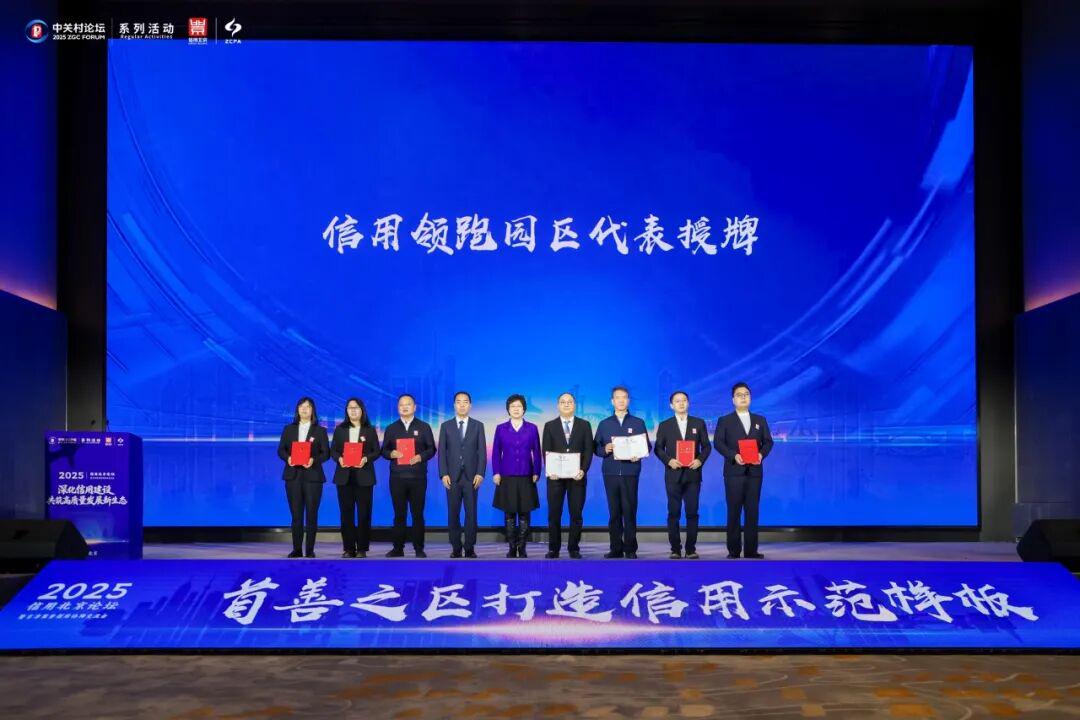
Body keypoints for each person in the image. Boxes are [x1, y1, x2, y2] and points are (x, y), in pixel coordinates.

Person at [713, 382, 774, 559]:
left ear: (751, 398)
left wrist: (761, 454)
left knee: (752, 511)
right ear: (733, 399)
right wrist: (734, 455)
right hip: (734, 471)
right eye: (739, 395)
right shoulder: (725, 420)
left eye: (746, 394)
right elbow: (718, 443)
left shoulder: (760, 420)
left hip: (755, 472)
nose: (743, 397)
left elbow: (768, 442)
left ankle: (751, 550)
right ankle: (733, 550)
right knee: (734, 511)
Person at [593, 386, 650, 559]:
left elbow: (647, 446)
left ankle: (630, 548)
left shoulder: (638, 422)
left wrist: (639, 454)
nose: (621, 400)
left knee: (629, 511)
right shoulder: (604, 424)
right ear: (612, 401)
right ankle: (616, 548)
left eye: (624, 397)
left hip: (630, 472)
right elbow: (596, 447)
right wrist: (605, 449)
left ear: (628, 401)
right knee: (614, 512)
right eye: (617, 397)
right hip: (610, 473)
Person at [654, 390, 712, 559]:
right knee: (673, 513)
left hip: (693, 475)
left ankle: (691, 549)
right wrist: (669, 461)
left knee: (692, 512)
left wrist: (700, 460)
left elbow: (707, 446)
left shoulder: (698, 423)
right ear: (671, 405)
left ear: (688, 403)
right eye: (677, 401)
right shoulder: (665, 425)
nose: (681, 403)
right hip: (673, 474)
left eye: (684, 400)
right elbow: (658, 448)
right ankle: (675, 549)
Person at [380, 393, 437, 558]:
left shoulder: (424, 427)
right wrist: (391, 454)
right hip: (397, 478)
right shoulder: (391, 428)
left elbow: (431, 449)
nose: (404, 407)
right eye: (401, 405)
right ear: (398, 408)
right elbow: (383, 450)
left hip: (418, 477)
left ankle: (419, 548)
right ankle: (398, 548)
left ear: (414, 407)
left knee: (417, 514)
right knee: (399, 514)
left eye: (408, 404)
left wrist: (420, 457)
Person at [276, 396, 330, 558]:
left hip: (313, 476)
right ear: (297, 410)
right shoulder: (288, 429)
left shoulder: (320, 431)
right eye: (301, 406)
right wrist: (288, 458)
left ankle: (310, 549)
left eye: (308, 406)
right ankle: (297, 549)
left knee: (311, 514)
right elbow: (281, 450)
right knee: (296, 515)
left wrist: (314, 459)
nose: (304, 409)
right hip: (293, 476)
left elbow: (326, 453)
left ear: (313, 410)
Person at [541, 392, 593, 559]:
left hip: (577, 477)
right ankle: (553, 549)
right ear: (558, 405)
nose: (566, 404)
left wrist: (583, 470)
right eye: (563, 402)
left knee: (576, 514)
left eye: (569, 402)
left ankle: (573, 548)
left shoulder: (584, 425)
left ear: (574, 405)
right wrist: (550, 470)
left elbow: (588, 450)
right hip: (555, 478)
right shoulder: (550, 426)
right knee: (554, 514)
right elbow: (546, 450)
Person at [491, 394, 542, 558]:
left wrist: (536, 471)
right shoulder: (501, 428)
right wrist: (496, 472)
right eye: (512, 406)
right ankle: (512, 547)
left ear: (524, 409)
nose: (516, 409)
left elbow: (537, 452)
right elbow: (496, 452)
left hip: (527, 474)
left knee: (525, 512)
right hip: (507, 475)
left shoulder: (532, 428)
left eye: (519, 406)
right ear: (508, 409)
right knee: (509, 513)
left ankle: (522, 546)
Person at [329, 397, 380, 558]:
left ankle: (362, 548)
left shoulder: (369, 430)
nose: (353, 410)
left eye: (356, 407)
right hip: (344, 477)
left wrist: (365, 458)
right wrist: (340, 459)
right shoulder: (340, 429)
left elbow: (376, 451)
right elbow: (333, 451)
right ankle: (349, 548)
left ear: (362, 410)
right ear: (346, 411)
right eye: (350, 408)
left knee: (364, 513)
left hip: (364, 476)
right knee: (346, 514)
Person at [437, 391, 486, 558]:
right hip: (452, 477)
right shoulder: (446, 426)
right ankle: (456, 548)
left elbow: (482, 452)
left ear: (470, 405)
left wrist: (480, 473)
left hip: (472, 477)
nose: (462, 405)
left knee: (471, 514)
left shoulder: (478, 425)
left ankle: (470, 547)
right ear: (454, 405)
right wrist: (443, 473)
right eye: (459, 402)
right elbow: (442, 452)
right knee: (453, 513)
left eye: (465, 402)